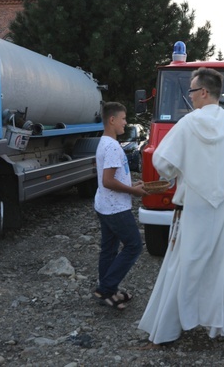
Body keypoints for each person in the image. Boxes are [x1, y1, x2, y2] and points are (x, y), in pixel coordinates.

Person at [138, 68, 224, 355]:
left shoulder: (188, 124)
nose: (190, 97)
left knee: (183, 266)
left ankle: (167, 331)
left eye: (192, 91)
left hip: (194, 208)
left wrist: (183, 169)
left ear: (204, 92)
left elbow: (162, 161)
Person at [93, 102, 147, 310]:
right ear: (112, 120)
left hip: (104, 205)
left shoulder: (104, 142)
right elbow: (108, 181)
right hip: (116, 208)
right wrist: (133, 191)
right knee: (134, 246)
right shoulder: (113, 146)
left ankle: (108, 290)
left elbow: (112, 178)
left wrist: (131, 184)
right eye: (123, 119)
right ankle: (106, 287)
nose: (126, 123)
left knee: (109, 249)